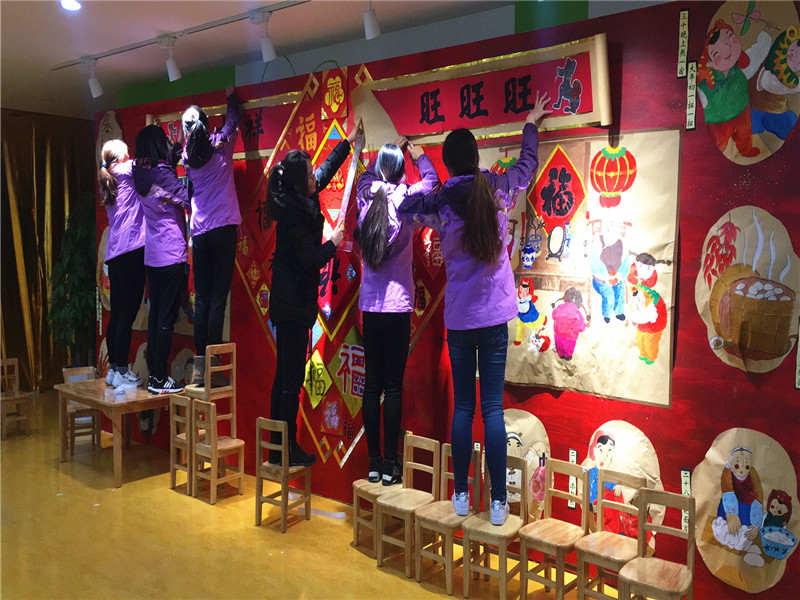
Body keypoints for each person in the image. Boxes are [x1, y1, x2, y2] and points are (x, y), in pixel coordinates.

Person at [400, 92, 551, 525]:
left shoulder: (440, 202)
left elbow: (408, 205)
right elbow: (526, 167)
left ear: (449, 164)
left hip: (461, 319)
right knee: (493, 411)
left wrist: (422, 164)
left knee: (463, 409)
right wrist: (530, 123)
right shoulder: (497, 188)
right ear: (476, 157)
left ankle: (462, 494)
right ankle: (499, 502)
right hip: (496, 316)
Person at [266, 118, 364, 466]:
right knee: (290, 380)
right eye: (308, 176)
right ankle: (285, 448)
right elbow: (310, 260)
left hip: (290, 303)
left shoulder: (297, 198)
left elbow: (323, 172)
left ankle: (277, 447)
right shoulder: (294, 214)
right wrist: (333, 242)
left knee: (285, 375)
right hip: (292, 306)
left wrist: (347, 142)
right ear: (298, 184)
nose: (314, 179)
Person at [355, 137, 439, 485]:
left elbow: (364, 177)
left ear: (378, 169)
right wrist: (418, 156)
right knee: (393, 387)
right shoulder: (404, 198)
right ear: (401, 171)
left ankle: (373, 463)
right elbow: (432, 183)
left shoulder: (365, 195)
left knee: (371, 386)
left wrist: (386, 154)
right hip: (398, 306)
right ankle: (391, 465)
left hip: (370, 307)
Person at [182, 85, 241, 386]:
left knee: (203, 299)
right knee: (218, 299)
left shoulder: (186, 157)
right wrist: (231, 96)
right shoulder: (220, 145)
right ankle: (214, 366)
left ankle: (199, 365)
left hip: (200, 233)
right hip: (224, 228)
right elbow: (233, 121)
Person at [132, 125, 189, 397]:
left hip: (153, 255)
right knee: (165, 318)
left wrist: (176, 150)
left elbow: (164, 168)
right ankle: (159, 377)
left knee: (156, 316)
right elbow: (187, 199)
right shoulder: (162, 176)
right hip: (171, 253)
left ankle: (155, 373)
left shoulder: (141, 173)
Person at [98, 139, 146, 391]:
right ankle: (121, 371)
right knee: (126, 315)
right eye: (127, 151)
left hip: (115, 254)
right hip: (131, 251)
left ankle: (115, 370)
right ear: (120, 157)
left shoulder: (109, 176)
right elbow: (150, 163)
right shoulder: (126, 170)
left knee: (117, 314)